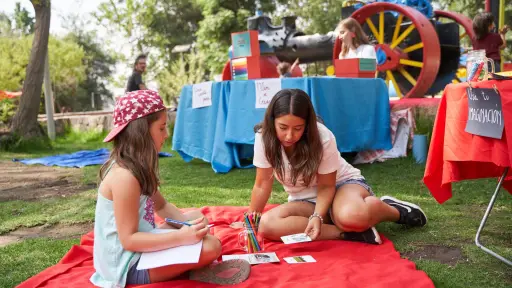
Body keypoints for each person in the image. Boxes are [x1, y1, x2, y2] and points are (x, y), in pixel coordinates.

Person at [91, 90, 250, 287]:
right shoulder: (124, 177)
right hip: (127, 266)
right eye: (162, 128)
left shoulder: (138, 168)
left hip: (142, 247)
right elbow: (129, 240)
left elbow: (162, 206)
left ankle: (189, 263)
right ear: (141, 132)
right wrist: (181, 238)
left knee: (197, 218)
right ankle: (192, 270)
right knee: (211, 247)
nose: (166, 135)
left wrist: (188, 226)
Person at [247, 89, 427, 245]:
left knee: (351, 216)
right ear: (272, 121)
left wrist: (317, 217)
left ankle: (395, 211)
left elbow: (326, 186)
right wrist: (251, 220)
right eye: (283, 127)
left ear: (307, 125)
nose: (289, 135)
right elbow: (262, 184)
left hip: (342, 185)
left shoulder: (322, 136)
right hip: (305, 199)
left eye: (298, 128)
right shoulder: (264, 138)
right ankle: (348, 233)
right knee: (267, 225)